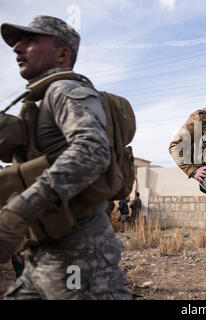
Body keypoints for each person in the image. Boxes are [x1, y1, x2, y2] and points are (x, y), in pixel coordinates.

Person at [0, 16, 130, 299]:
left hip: (79, 258)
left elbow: (92, 152)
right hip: (45, 254)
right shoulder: (41, 98)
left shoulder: (66, 91)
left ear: (62, 54)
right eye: (18, 42)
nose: (17, 48)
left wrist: (20, 210)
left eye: (30, 41)